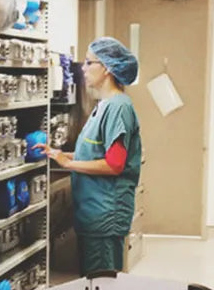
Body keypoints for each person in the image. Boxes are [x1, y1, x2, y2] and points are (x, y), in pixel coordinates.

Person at [35, 37, 143, 275]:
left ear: (106, 68)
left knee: (102, 286)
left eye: (89, 62)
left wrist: (69, 163)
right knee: (93, 285)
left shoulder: (118, 107)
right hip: (93, 214)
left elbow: (114, 164)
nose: (83, 68)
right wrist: (60, 154)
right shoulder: (103, 106)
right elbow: (94, 152)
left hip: (105, 215)